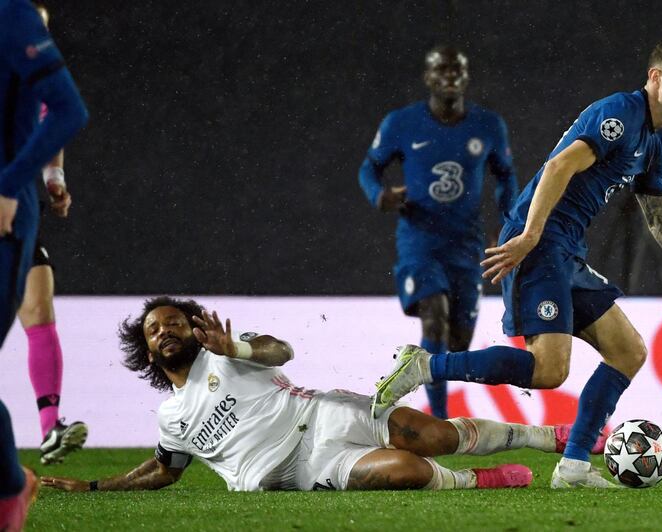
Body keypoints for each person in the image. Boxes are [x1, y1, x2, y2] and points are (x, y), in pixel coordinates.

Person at [372, 36, 662, 489]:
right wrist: (529, 236)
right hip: (541, 239)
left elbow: (661, 219)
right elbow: (557, 168)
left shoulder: (654, 140)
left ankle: (572, 468)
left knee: (629, 351)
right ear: (655, 77)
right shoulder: (619, 115)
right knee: (549, 370)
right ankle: (426, 366)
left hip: (565, 248)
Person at [43, 297, 601, 494]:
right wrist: (94, 484)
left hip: (322, 413)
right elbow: (165, 470)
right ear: (147, 350)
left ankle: (552, 436)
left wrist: (235, 345)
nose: (164, 332)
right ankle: (482, 480)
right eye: (153, 331)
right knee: (404, 470)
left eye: (173, 323)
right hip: (302, 468)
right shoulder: (171, 419)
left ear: (194, 328)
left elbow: (279, 351)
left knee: (431, 434)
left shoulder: (225, 352)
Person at [358, 45, 519, 419]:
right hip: (419, 241)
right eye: (441, 70)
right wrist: (379, 196)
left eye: (457, 70)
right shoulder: (401, 122)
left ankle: (430, 388)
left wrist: (507, 226)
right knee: (435, 315)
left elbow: (506, 175)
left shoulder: (488, 125)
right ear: (428, 77)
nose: (450, 77)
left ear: (466, 77)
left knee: (458, 342)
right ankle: (439, 421)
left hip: (466, 244)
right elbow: (370, 167)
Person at [0, 0, 89, 528]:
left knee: (40, 307)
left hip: (8, 210)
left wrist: (34, 182)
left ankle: (46, 428)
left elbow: (60, 115)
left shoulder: (13, 23)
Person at [19, 2, 89, 467]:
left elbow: (57, 124)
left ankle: (49, 429)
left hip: (17, 214)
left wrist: (54, 181)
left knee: (40, 308)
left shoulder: (38, 79)